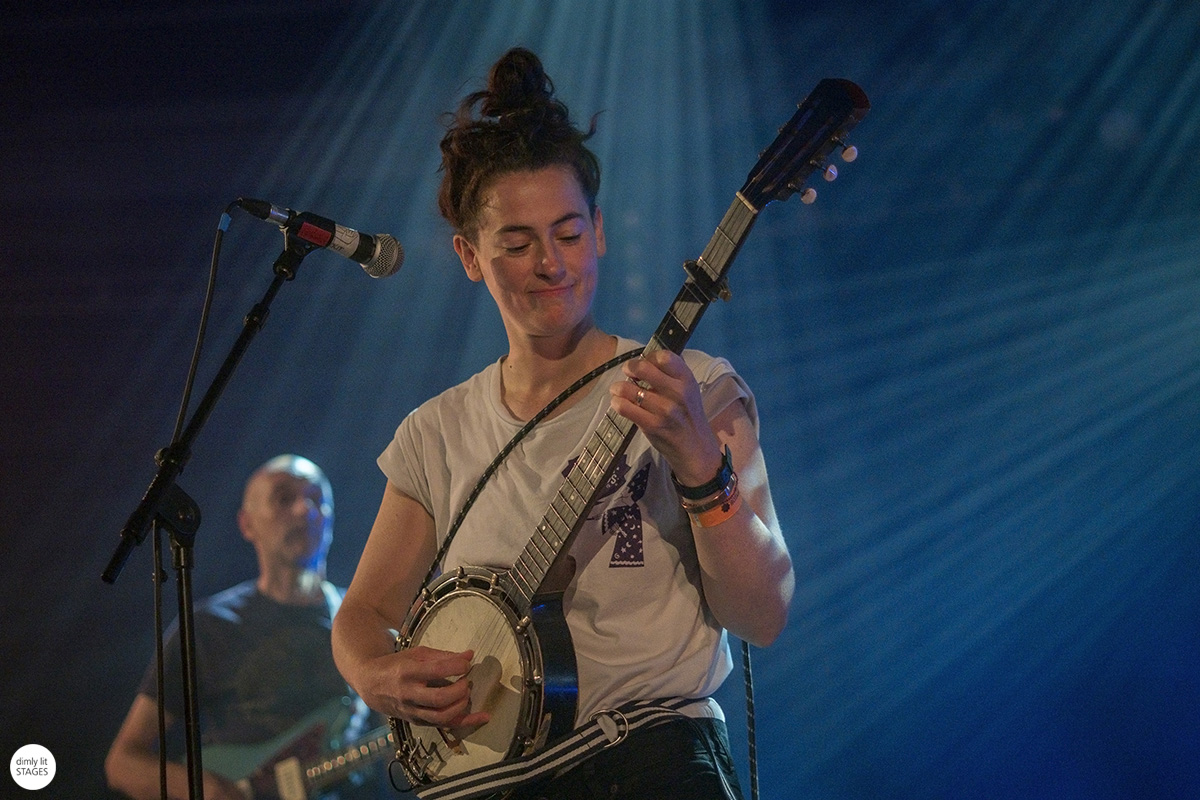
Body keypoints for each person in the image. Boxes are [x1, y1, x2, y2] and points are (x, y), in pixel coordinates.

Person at [330, 48, 794, 800]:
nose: (551, 263)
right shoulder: (434, 433)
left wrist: (703, 470)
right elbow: (365, 612)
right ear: (469, 256)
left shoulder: (695, 390)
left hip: (647, 764)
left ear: (600, 231)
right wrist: (377, 674)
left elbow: (763, 614)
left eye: (570, 233)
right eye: (516, 243)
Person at [106, 454, 386, 800]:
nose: (305, 510)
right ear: (247, 523)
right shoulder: (208, 627)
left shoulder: (364, 619)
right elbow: (122, 762)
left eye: (317, 499)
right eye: (285, 498)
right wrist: (209, 789)